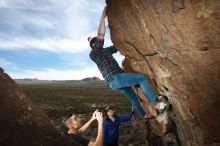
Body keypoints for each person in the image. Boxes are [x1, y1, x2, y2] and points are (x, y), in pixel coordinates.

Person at [88, 6, 170, 120]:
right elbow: (101, 35)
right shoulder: (94, 54)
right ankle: (158, 104)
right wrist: (103, 16)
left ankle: (144, 116)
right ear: (93, 45)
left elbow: (117, 46)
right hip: (115, 79)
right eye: (95, 41)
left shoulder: (105, 51)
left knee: (133, 97)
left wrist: (128, 36)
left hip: (114, 82)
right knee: (141, 78)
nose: (98, 41)